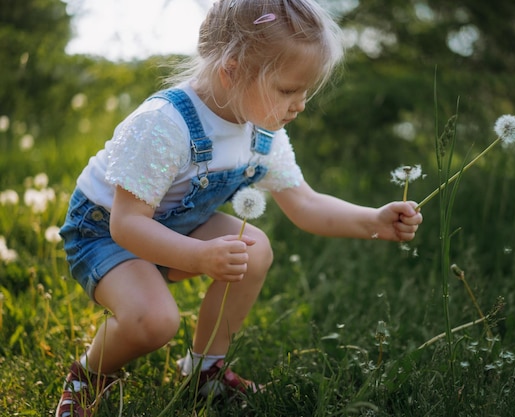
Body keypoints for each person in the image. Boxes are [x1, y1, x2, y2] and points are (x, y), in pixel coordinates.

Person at [55, 0, 423, 415]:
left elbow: (305, 203)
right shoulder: (165, 123)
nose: (300, 104)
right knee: (154, 323)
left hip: (175, 226)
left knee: (255, 247)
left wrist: (372, 221)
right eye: (288, 90)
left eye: (304, 91)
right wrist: (199, 255)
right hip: (107, 233)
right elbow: (126, 225)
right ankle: (87, 376)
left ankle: (205, 371)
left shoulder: (261, 134)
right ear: (232, 69)